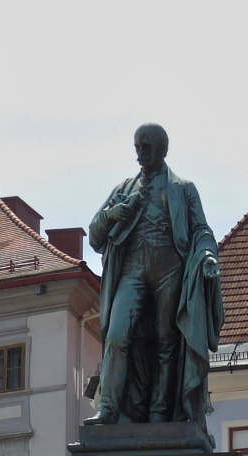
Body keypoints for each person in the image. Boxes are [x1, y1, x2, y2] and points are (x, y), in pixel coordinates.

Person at [84, 122, 223, 429]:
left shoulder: (182, 188)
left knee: (166, 340)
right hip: (131, 270)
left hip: (169, 268)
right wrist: (111, 214)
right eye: (137, 147)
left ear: (162, 149)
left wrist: (208, 255)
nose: (140, 154)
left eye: (146, 147)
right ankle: (107, 408)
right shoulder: (123, 189)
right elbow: (94, 236)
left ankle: (160, 412)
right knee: (117, 334)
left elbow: (201, 228)